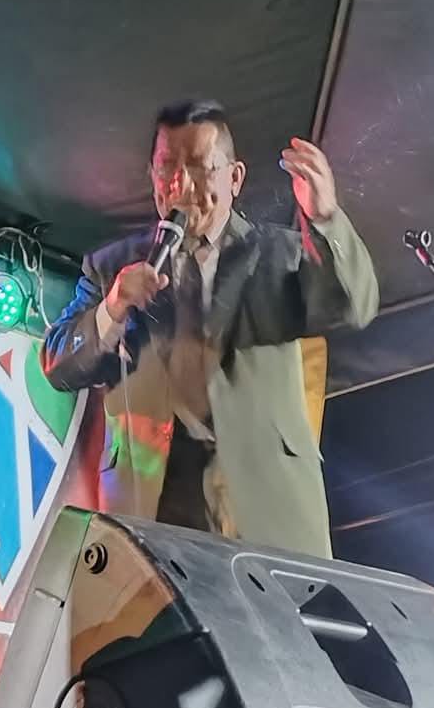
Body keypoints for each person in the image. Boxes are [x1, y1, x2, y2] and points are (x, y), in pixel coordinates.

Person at [42, 101, 378, 558]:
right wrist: (113, 307)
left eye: (200, 168)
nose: (180, 185)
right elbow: (58, 364)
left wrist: (325, 218)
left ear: (234, 178)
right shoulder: (113, 266)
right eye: (167, 168)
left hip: (264, 501)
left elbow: (354, 307)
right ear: (152, 175)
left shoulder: (279, 254)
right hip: (153, 503)